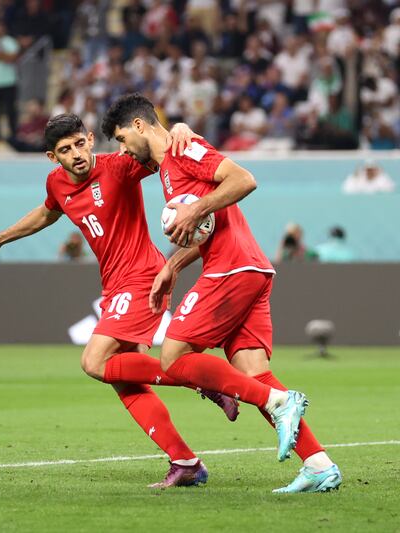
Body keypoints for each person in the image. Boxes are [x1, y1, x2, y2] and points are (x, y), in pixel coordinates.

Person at [0, 114, 241, 488]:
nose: (76, 154)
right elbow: (47, 213)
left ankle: (206, 382)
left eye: (80, 143)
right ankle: (185, 462)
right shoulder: (57, 183)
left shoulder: (121, 167)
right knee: (125, 381)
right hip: (114, 286)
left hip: (142, 277)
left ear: (91, 139)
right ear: (52, 157)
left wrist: (178, 129)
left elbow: (164, 151)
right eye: (65, 150)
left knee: (94, 361)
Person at [102, 92, 341, 493]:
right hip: (251, 267)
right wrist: (173, 264)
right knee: (254, 372)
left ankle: (279, 402)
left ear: (140, 125)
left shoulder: (184, 148)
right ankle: (320, 465)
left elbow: (244, 179)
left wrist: (194, 209)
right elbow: (208, 226)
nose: (124, 150)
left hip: (231, 267)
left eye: (123, 139)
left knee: (175, 357)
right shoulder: (167, 167)